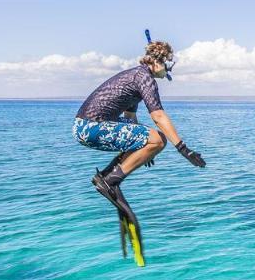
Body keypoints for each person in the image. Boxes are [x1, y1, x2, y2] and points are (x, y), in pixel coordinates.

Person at [72, 39, 206, 206]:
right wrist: (184, 150)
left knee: (152, 139)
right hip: (90, 127)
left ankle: (106, 175)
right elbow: (158, 116)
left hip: (83, 127)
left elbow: (129, 120)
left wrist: (145, 148)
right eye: (168, 64)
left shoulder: (136, 76)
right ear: (158, 61)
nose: (169, 70)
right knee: (159, 139)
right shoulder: (145, 78)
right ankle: (110, 181)